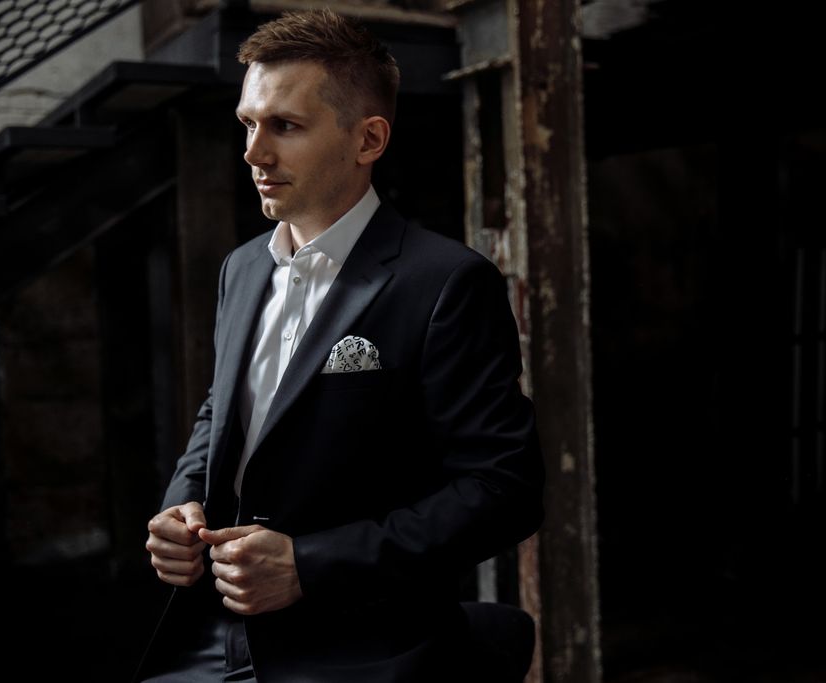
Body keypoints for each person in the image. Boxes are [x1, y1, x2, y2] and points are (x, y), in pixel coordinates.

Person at [134, 8, 544, 682]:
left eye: (285, 126)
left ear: (368, 139)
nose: (254, 153)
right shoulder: (241, 268)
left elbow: (505, 490)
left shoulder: (446, 282)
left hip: (364, 644)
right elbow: (223, 412)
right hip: (213, 631)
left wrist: (308, 565)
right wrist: (181, 505)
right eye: (248, 124)